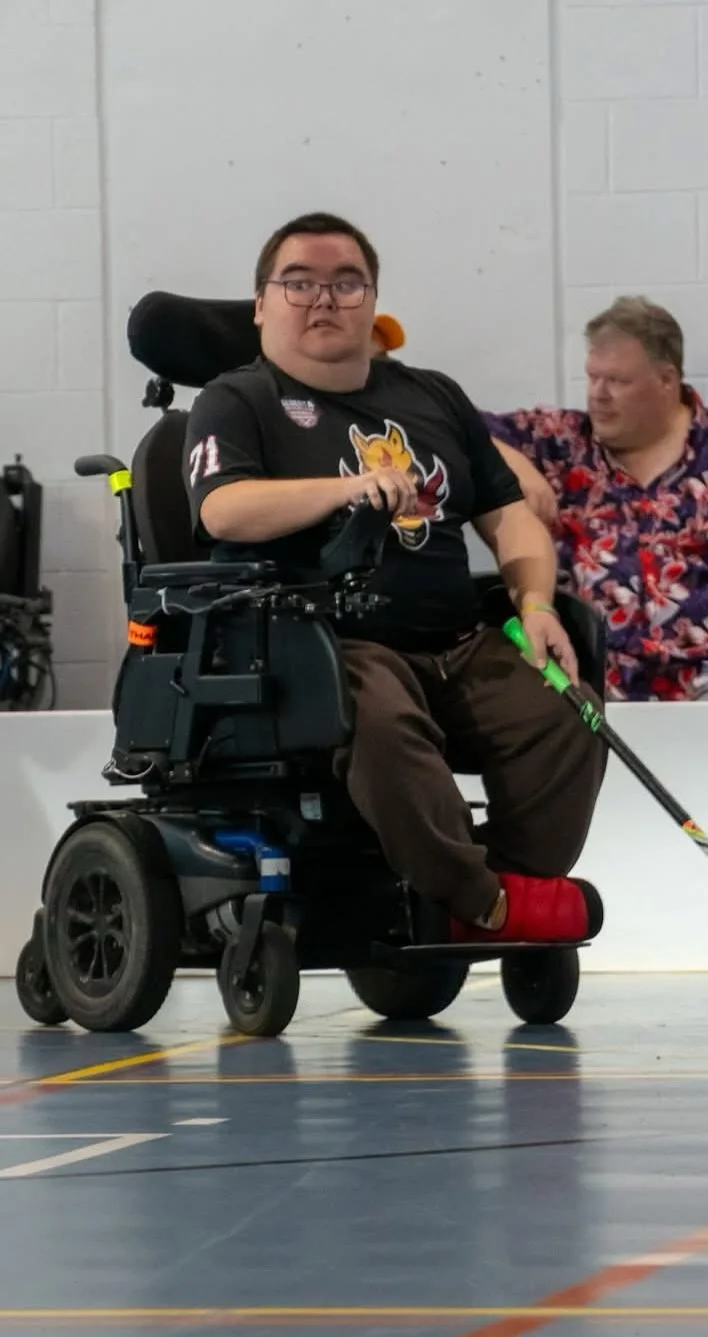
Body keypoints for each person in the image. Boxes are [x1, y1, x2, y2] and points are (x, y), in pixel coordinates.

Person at [182, 211, 606, 944]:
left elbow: (509, 516)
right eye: (299, 283)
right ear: (261, 305)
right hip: (320, 638)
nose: (324, 300)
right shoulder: (236, 400)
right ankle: (477, 899)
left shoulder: (432, 395)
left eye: (347, 284)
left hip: (457, 640)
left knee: (565, 707)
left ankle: (506, 892)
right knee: (377, 720)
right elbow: (223, 510)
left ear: (373, 299)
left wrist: (535, 602)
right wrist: (345, 490)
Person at [483, 296, 708, 702]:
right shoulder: (562, 441)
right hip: (597, 679)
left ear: (667, 380)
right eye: (593, 377)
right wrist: (519, 467)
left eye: (617, 381)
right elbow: (457, 425)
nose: (598, 394)